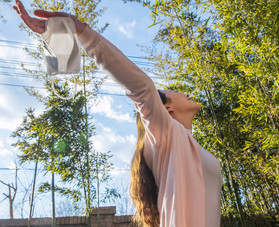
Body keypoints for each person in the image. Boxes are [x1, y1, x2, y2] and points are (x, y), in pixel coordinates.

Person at [13, 1, 223, 226]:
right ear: (167, 110)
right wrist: (83, 32)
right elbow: (142, 88)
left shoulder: (188, 146)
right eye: (174, 91)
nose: (183, 91)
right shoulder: (165, 137)